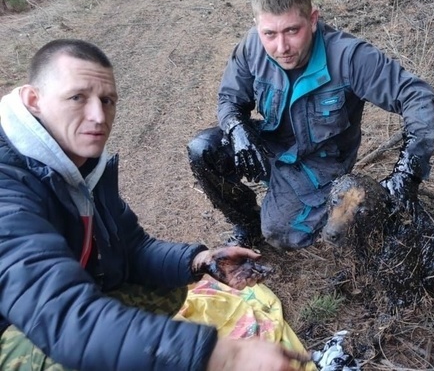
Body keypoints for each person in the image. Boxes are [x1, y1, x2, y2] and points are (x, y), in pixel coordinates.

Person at [0, 39, 311, 371]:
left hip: (60, 308)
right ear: (34, 100)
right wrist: (224, 356)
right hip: (21, 327)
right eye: (77, 97)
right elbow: (62, 317)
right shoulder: (9, 188)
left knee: (167, 287)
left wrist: (201, 261)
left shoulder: (79, 165)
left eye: (107, 101)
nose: (98, 116)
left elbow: (132, 248)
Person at [187, 0, 434, 250]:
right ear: (257, 25)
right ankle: (248, 226)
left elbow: (418, 96)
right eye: (269, 33)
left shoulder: (349, 57)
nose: (281, 48)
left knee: (281, 233)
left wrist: (408, 172)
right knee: (204, 149)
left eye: (292, 31)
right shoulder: (252, 46)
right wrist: (237, 129)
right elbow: (229, 99)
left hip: (321, 162)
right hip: (270, 146)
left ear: (313, 19)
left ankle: (349, 207)